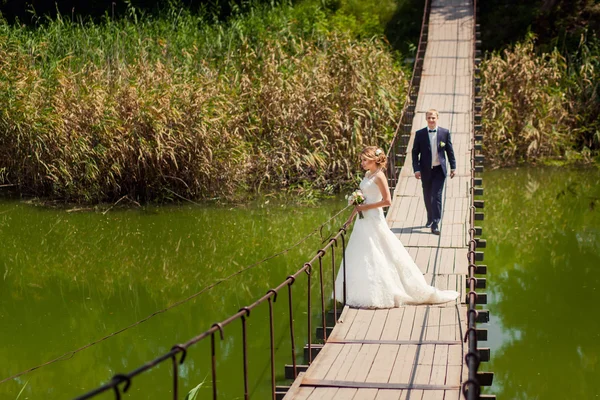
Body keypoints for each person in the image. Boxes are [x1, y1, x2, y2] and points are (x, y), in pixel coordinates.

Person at [334, 146, 459, 308]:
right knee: (362, 253)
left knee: (378, 252)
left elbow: (387, 201)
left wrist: (365, 207)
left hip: (374, 218)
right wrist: (351, 218)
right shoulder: (367, 175)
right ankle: (358, 291)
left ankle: (385, 290)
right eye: (362, 160)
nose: (362, 163)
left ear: (374, 160)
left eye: (365, 160)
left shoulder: (379, 176)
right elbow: (362, 201)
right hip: (362, 220)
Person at [411, 109, 456, 235]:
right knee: (427, 195)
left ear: (437, 118)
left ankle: (435, 223)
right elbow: (415, 153)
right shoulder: (420, 134)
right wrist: (416, 169)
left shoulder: (444, 133)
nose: (431, 120)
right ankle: (430, 217)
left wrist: (453, 167)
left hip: (439, 170)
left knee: (436, 196)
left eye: (433, 118)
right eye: (429, 118)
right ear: (426, 119)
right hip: (425, 170)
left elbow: (449, 151)